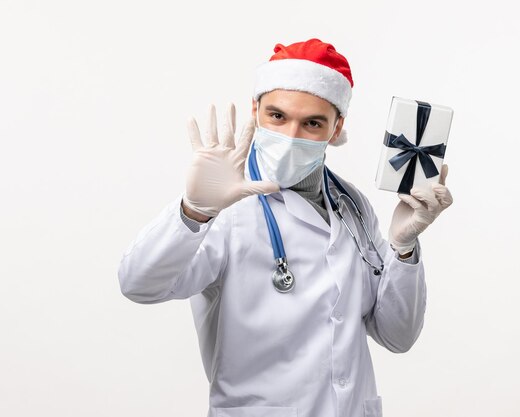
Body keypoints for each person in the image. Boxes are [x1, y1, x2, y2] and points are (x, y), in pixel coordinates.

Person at [118, 38, 453, 417]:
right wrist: (193, 211)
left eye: (312, 123)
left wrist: (404, 249)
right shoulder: (225, 206)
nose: (292, 135)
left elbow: (398, 336)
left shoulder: (351, 204)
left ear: (336, 127)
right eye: (277, 116)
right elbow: (138, 285)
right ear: (255, 110)